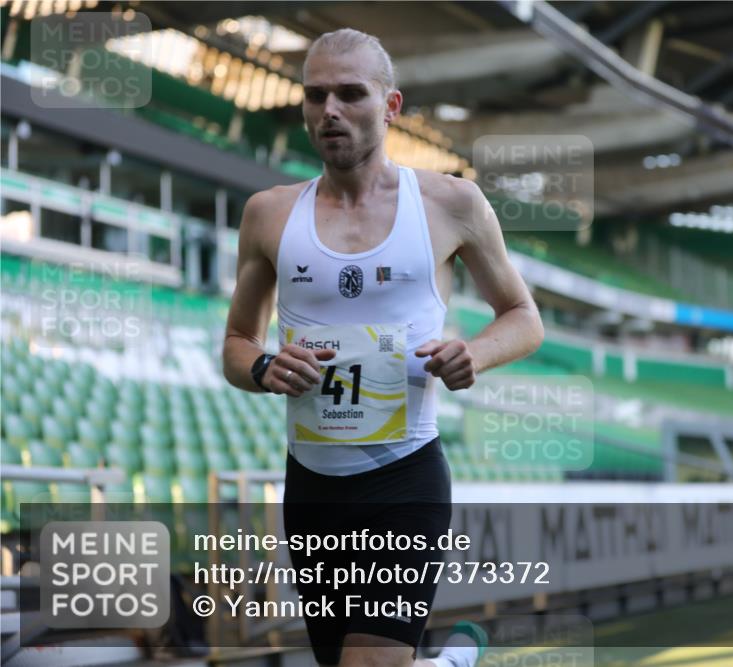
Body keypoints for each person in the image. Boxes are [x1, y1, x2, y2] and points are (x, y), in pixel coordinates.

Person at [222, 28, 544, 667]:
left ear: (391, 106)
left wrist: (473, 354)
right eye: (316, 96)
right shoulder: (268, 213)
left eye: (350, 94)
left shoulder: (451, 203)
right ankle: (449, 663)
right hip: (310, 487)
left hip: (404, 477)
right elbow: (236, 343)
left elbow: (524, 317)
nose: (330, 111)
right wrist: (263, 366)